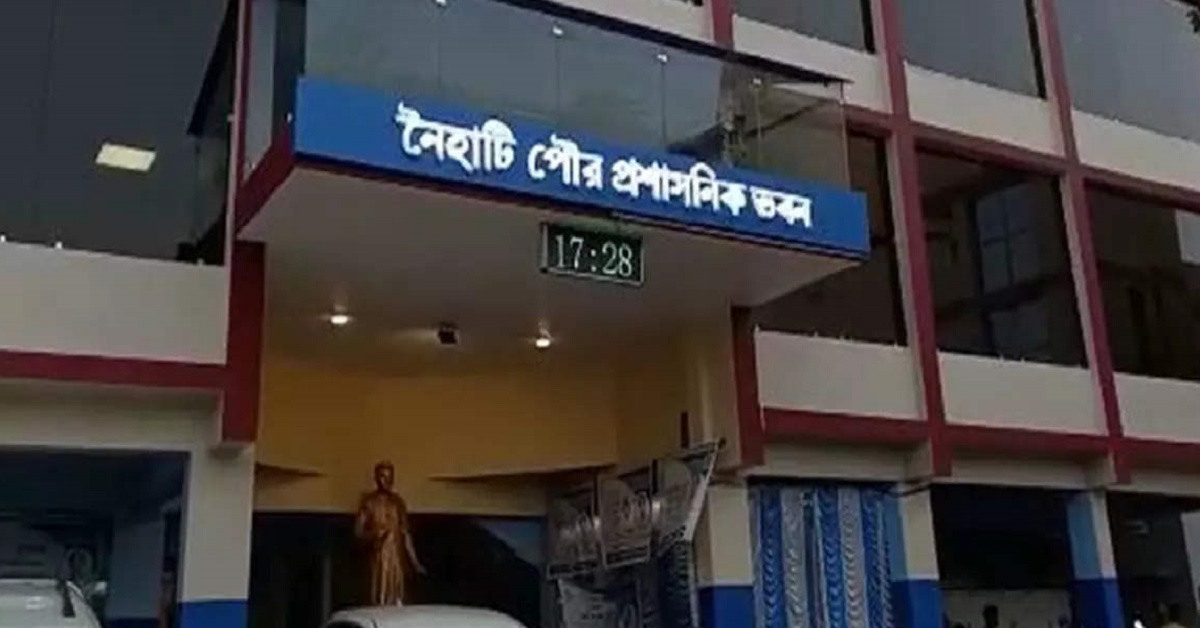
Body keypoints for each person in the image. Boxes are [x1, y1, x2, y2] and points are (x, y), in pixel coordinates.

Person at [355, 460, 425, 605]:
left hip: (396, 560)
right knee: (378, 596)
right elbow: (358, 532)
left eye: (390, 477)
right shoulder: (369, 502)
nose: (387, 481)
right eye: (383, 476)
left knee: (397, 596)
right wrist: (374, 535)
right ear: (376, 478)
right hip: (378, 558)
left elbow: (406, 534)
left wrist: (415, 562)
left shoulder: (398, 503)